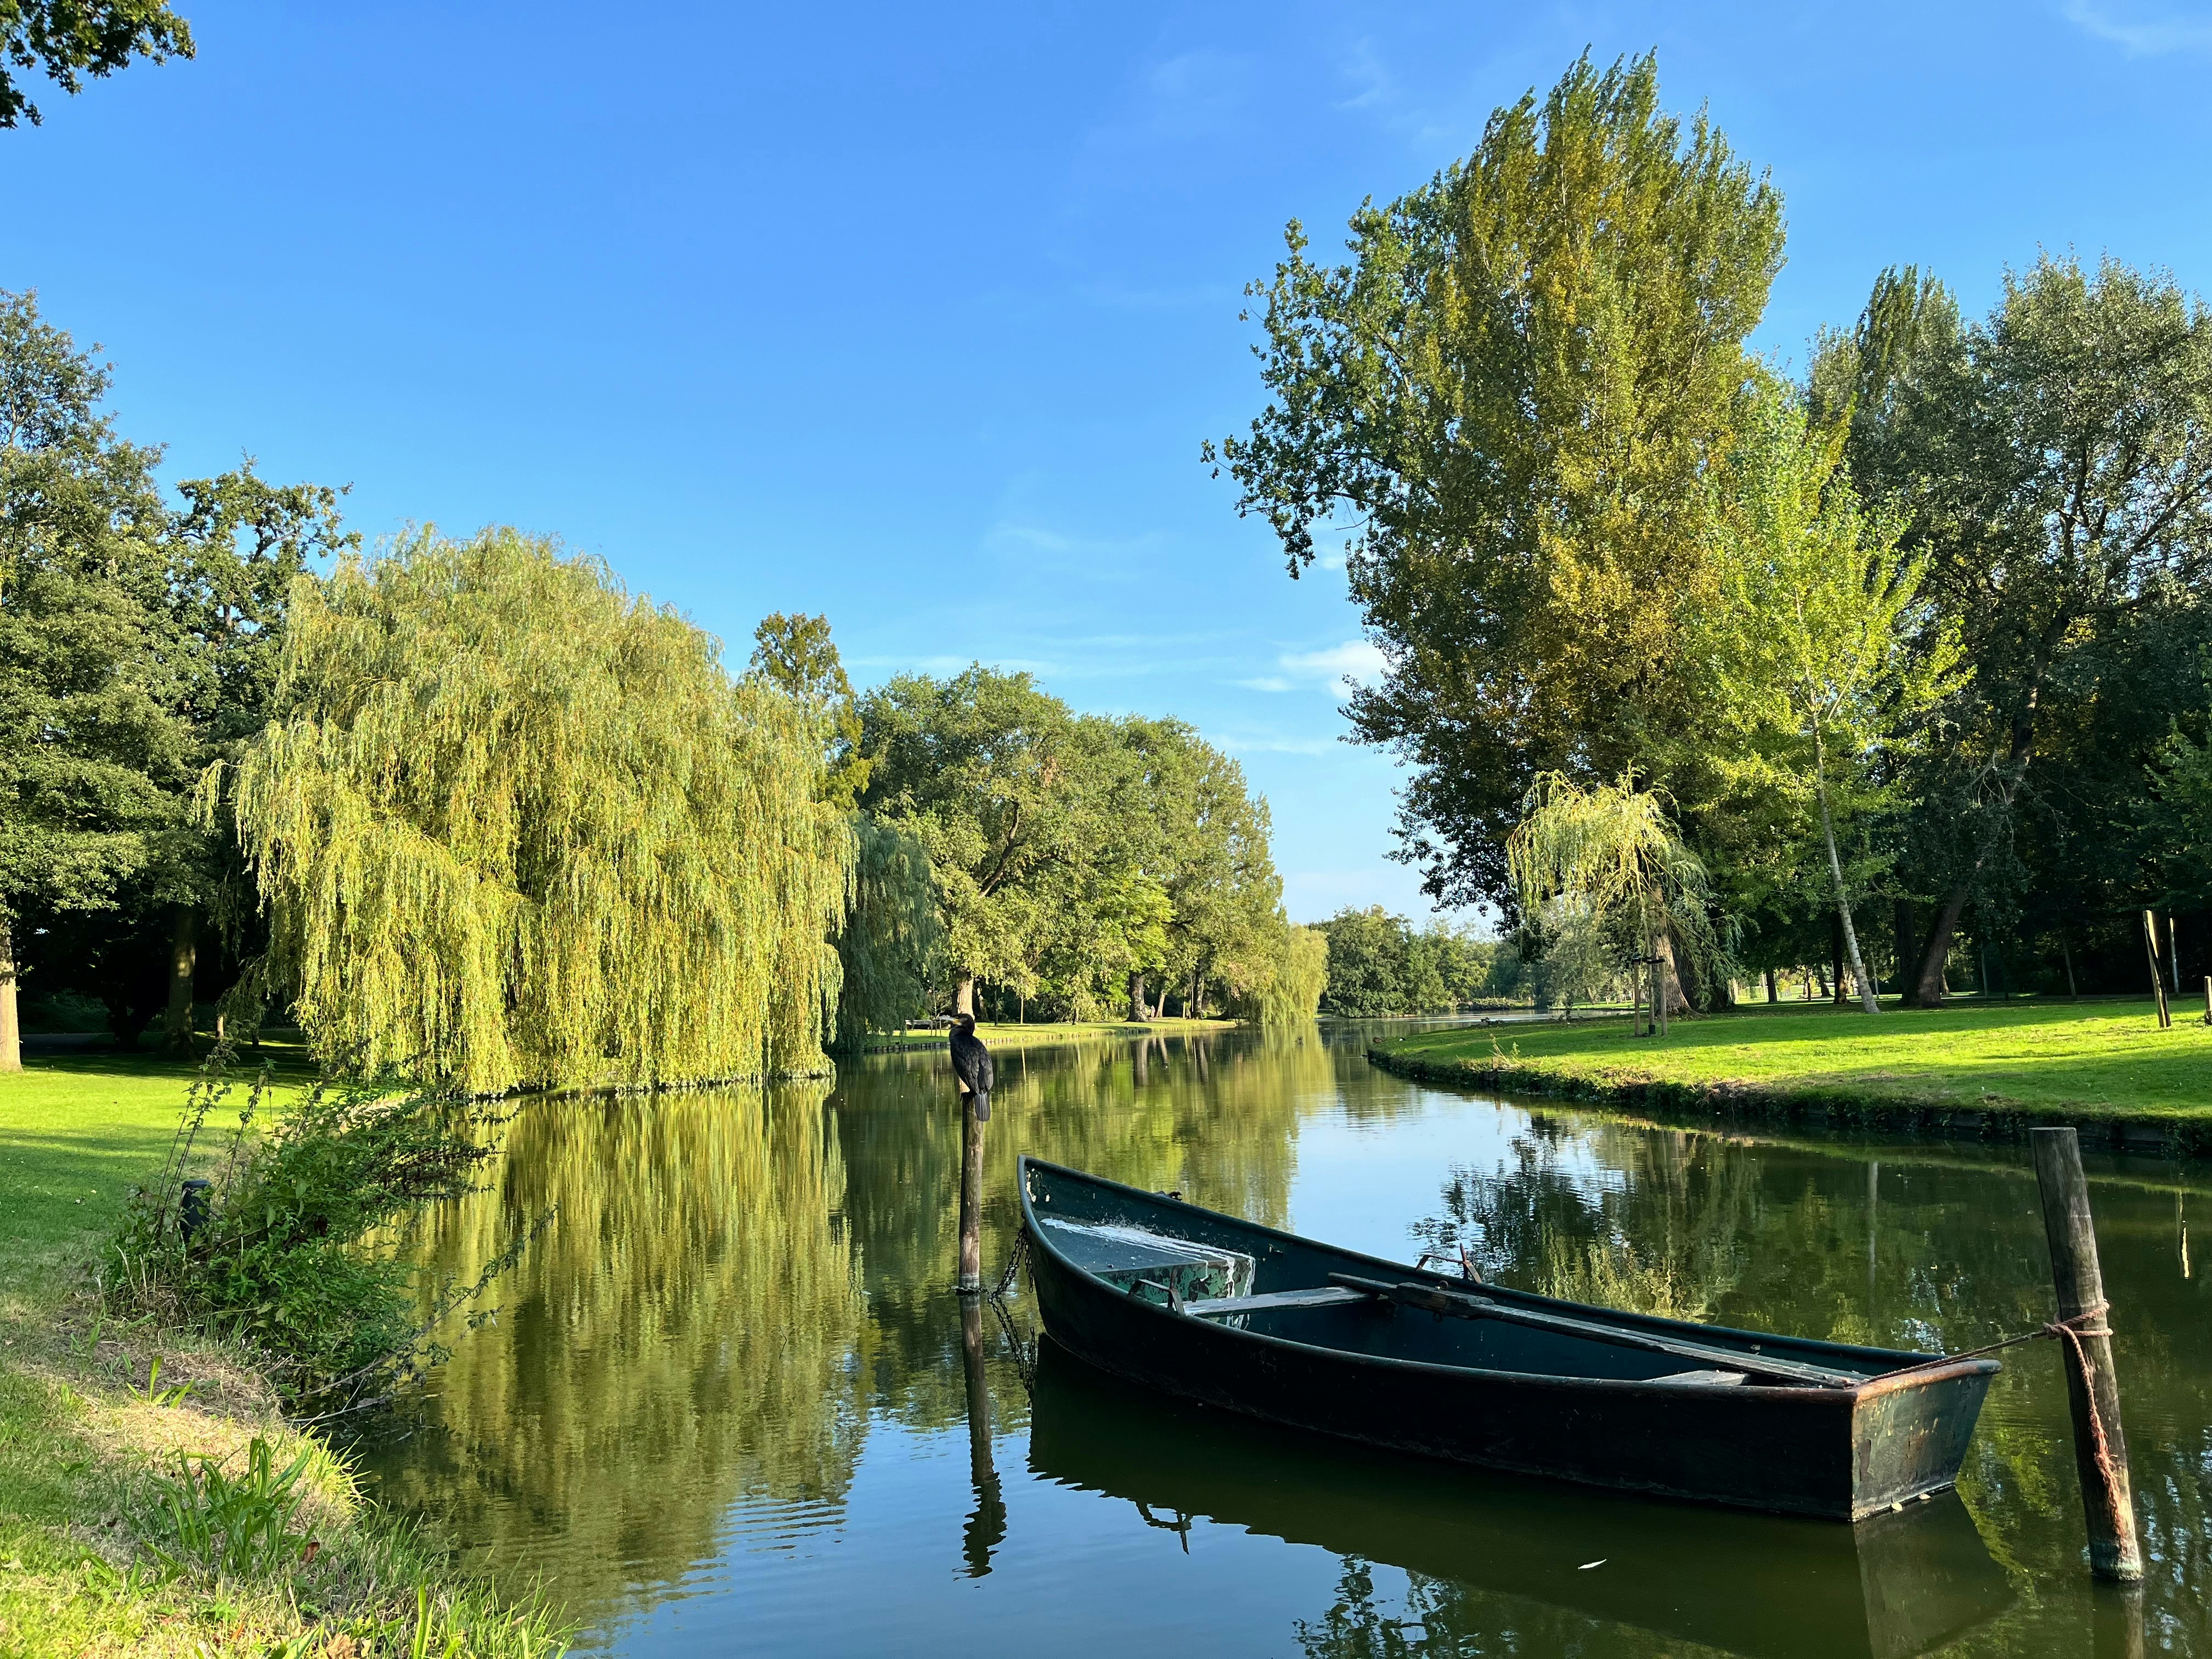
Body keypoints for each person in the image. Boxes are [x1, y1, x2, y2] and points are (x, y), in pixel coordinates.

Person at [949, 1012, 993, 1121]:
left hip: (979, 1087)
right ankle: (976, 1093)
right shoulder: (978, 1044)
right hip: (982, 1087)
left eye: (961, 1021)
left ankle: (974, 1093)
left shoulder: (957, 1042)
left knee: (978, 1090)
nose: (956, 1021)